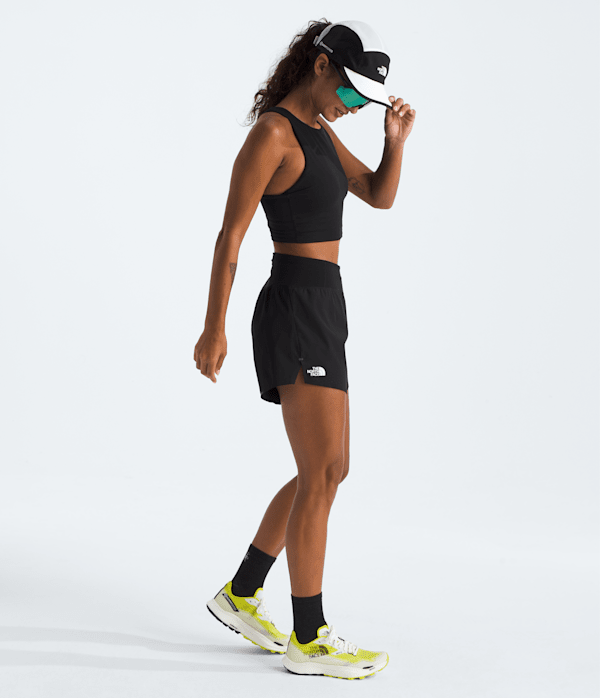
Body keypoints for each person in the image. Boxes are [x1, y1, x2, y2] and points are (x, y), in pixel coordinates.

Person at [195, 19, 415, 680]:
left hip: (326, 305)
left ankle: (242, 591)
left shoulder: (321, 131)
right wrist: (214, 328)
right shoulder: (274, 133)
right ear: (320, 66)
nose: (354, 105)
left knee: (331, 468)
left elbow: (378, 195)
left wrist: (393, 141)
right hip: (292, 304)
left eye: (363, 100)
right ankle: (310, 635)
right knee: (320, 471)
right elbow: (230, 236)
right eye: (350, 91)